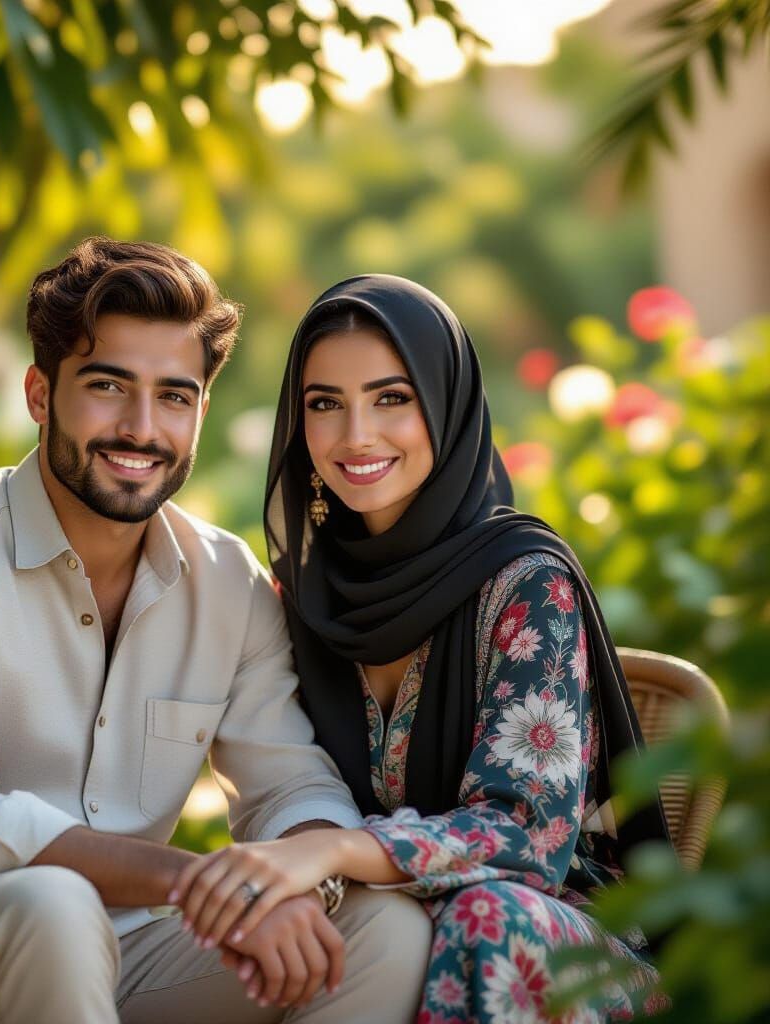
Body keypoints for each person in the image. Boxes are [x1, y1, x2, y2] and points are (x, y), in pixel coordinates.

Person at [0, 245, 432, 1024]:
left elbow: (289, 784)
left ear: (201, 411)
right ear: (40, 394)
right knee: (50, 905)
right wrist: (194, 884)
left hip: (127, 945)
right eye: (108, 387)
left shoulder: (225, 583)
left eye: (174, 396)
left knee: (382, 929)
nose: (141, 429)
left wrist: (301, 877)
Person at [170, 275, 671, 1022]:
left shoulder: (525, 582)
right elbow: (271, 783)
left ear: (445, 401)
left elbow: (526, 834)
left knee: (480, 919)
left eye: (391, 398)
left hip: (558, 949)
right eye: (325, 404)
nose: (356, 436)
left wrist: (335, 850)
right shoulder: (301, 607)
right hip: (382, 937)